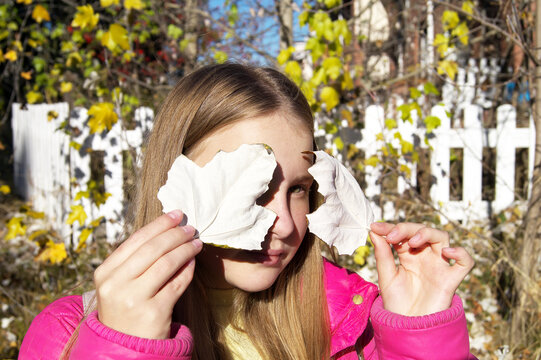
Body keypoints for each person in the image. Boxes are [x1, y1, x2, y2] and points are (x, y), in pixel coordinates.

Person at [20, 63, 476, 360]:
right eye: (254, 192)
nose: (284, 223)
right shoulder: (71, 336)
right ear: (175, 184)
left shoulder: (355, 325)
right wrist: (125, 348)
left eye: (298, 189)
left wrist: (420, 337)